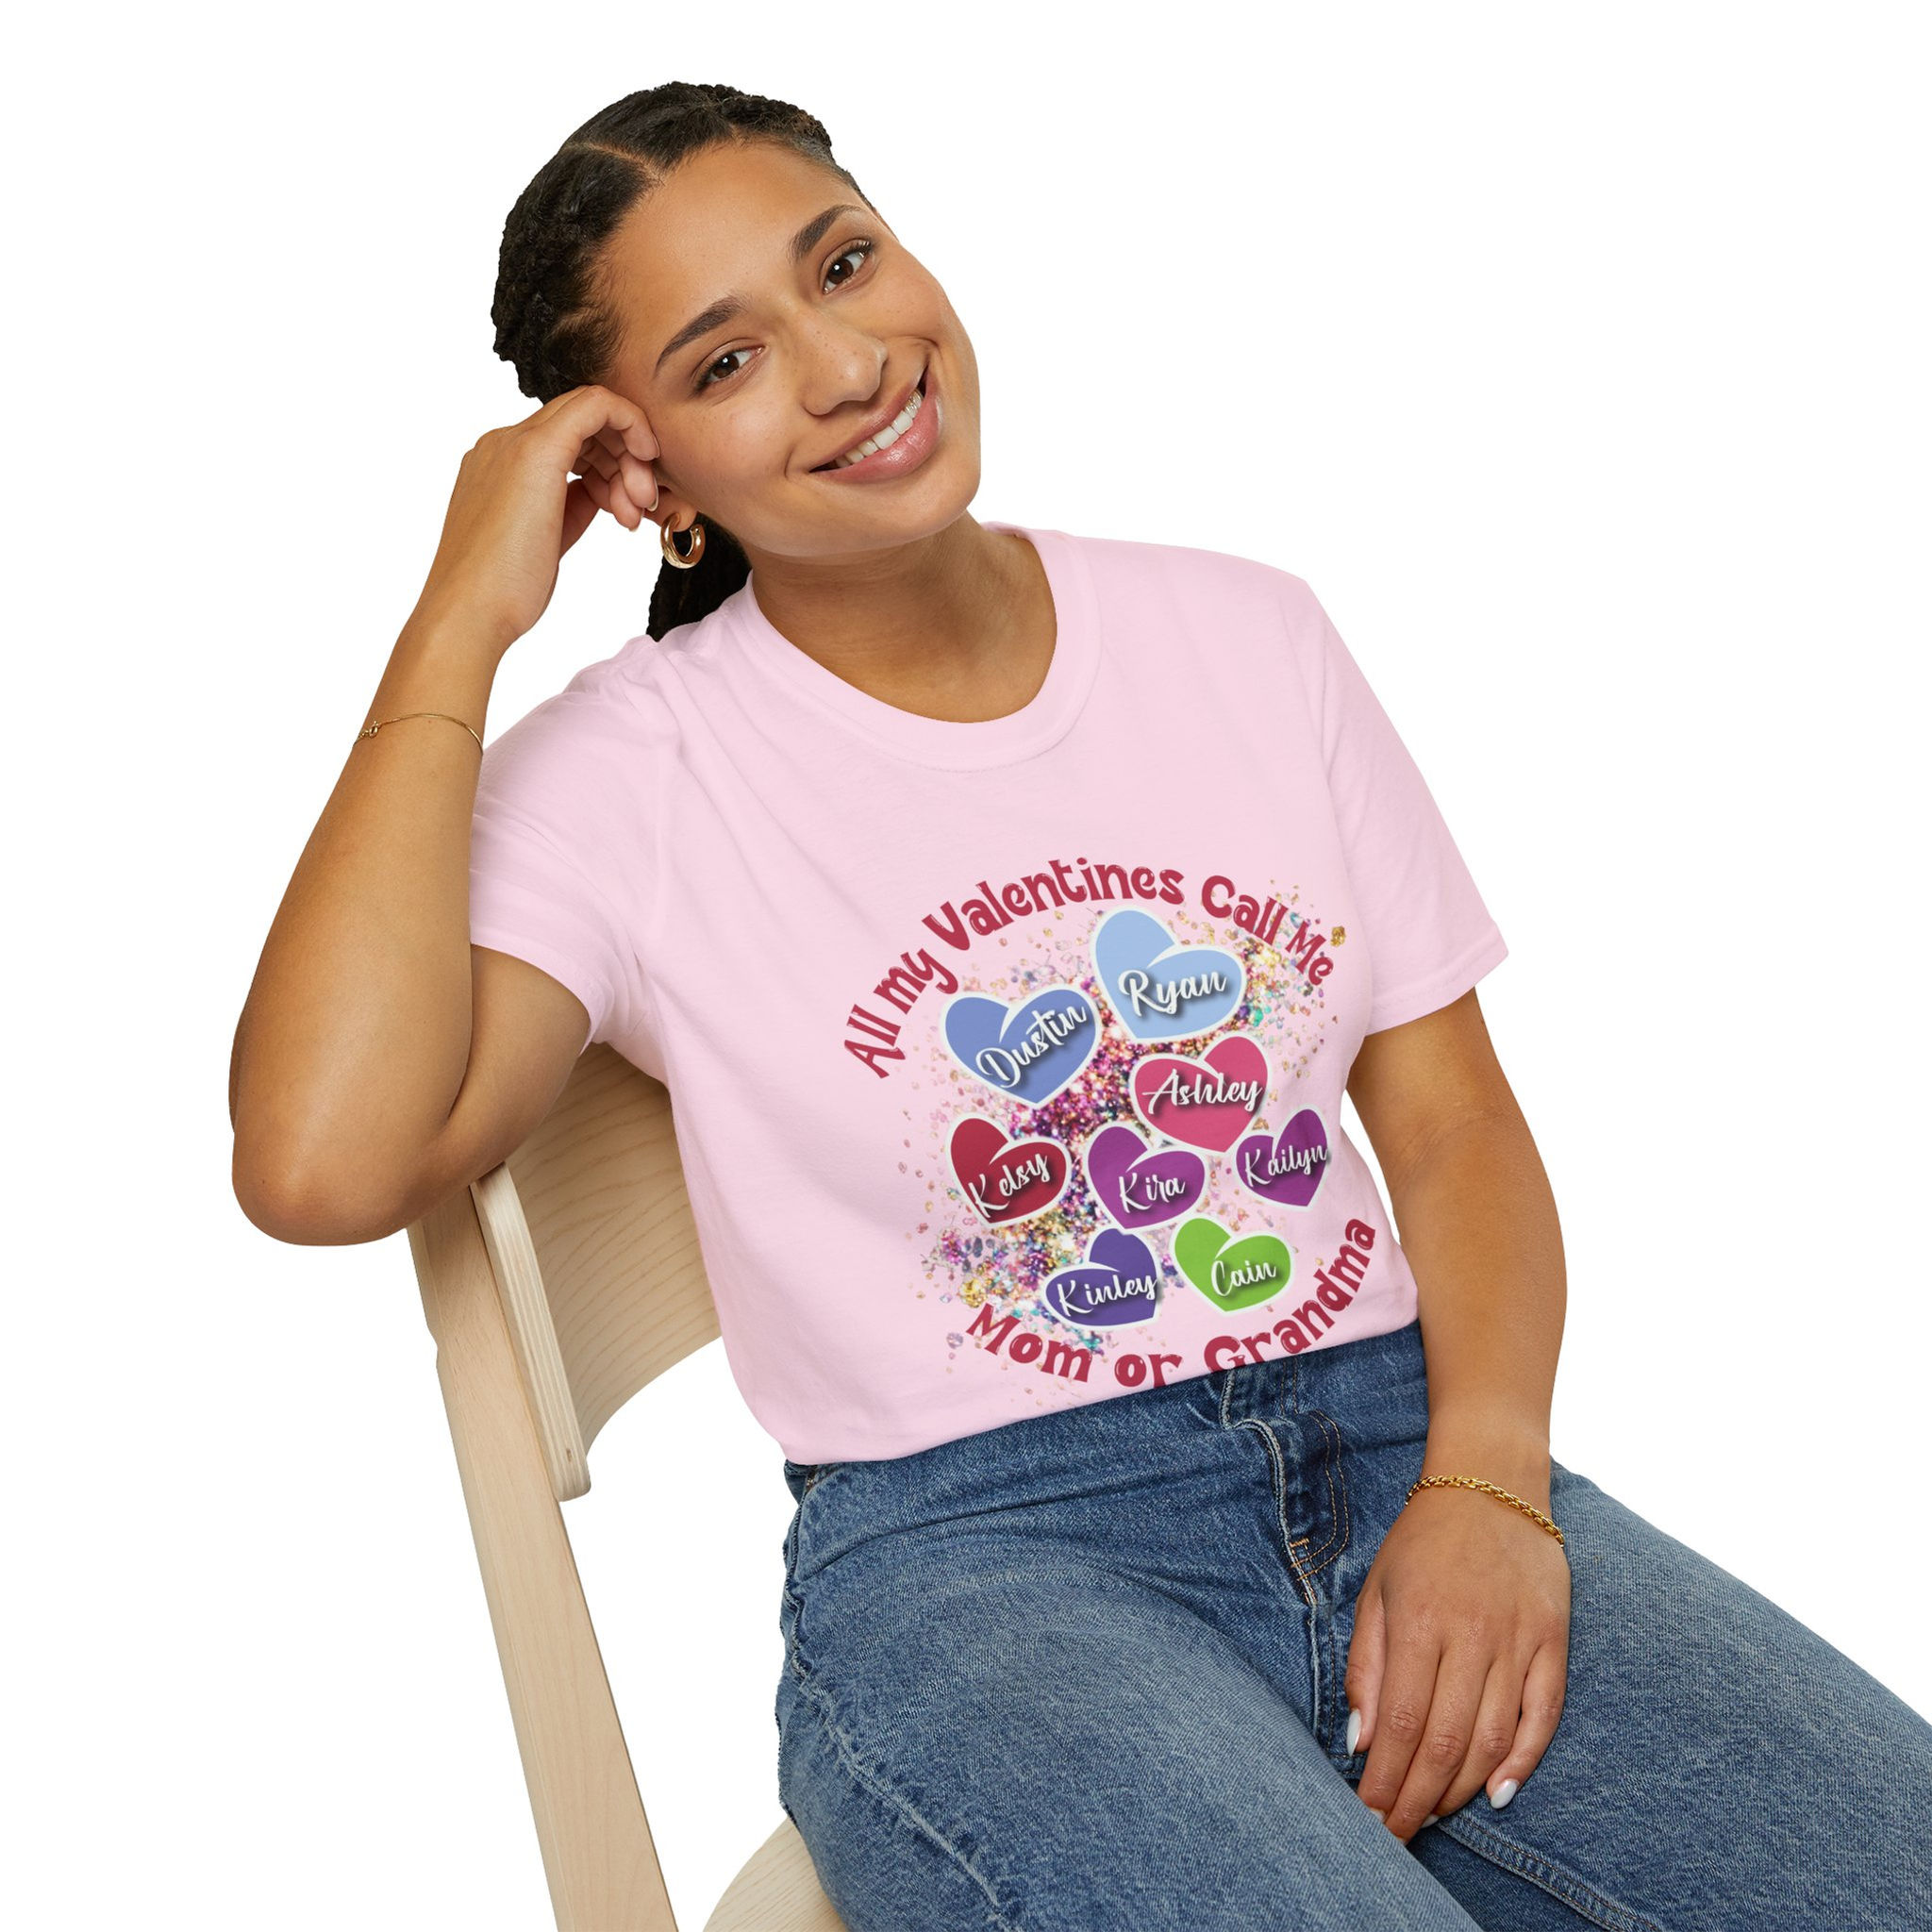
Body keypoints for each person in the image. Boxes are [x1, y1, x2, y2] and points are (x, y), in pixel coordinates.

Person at [229, 81, 1932, 1932]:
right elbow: (321, 1159)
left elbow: (1447, 1122)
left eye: (846, 263)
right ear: (645, 477)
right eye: (725, 363)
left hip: (1402, 1444)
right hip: (983, 1564)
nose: (846, 362)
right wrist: (456, 620)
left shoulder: (1246, 635)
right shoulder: (630, 774)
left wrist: (1491, 1486)